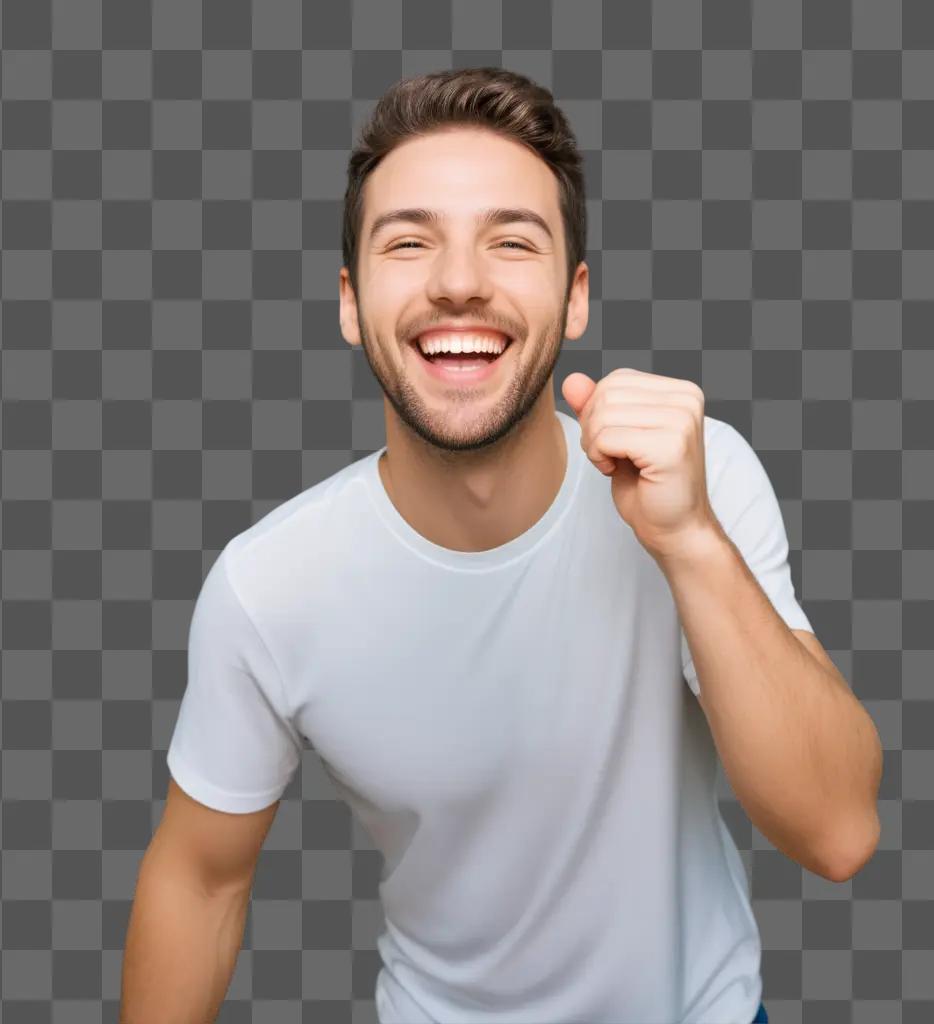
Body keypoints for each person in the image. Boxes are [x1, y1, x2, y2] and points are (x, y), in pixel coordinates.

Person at [120, 67, 881, 1023]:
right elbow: (199, 883)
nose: (459, 281)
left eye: (511, 241)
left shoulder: (702, 481)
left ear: (574, 299)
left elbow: (839, 832)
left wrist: (688, 542)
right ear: (351, 305)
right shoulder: (269, 587)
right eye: (410, 242)